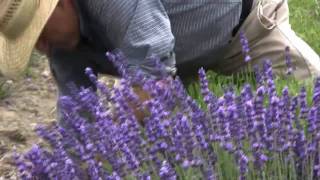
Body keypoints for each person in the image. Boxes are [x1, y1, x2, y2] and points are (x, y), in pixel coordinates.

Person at [1, 0, 320, 96]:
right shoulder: (61, 44)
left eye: (39, 32)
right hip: (177, 64)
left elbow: (153, 81)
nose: (42, 48)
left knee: (313, 97)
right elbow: (78, 120)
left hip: (246, 29)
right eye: (30, 44)